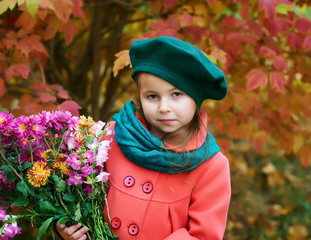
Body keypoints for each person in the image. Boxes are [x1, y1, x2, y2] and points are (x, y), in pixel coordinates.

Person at [55, 36, 231, 240]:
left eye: (176, 94)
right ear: (140, 97)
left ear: (195, 99)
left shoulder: (210, 165)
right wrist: (67, 231)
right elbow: (79, 194)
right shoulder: (113, 137)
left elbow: (203, 235)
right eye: (152, 96)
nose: (164, 108)